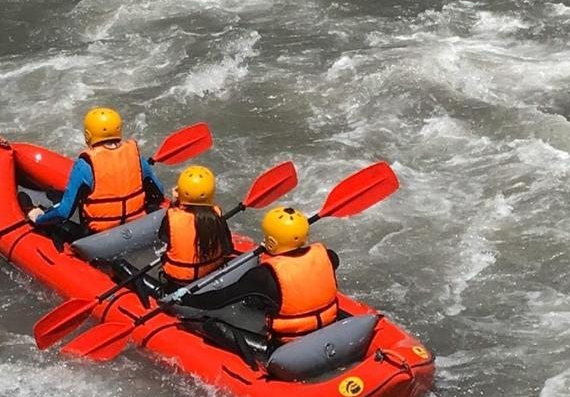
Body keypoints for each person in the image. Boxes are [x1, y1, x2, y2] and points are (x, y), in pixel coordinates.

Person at [169, 206, 340, 345]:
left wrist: (185, 299)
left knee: (212, 325)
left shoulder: (263, 276)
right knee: (261, 299)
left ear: (272, 241)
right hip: (327, 324)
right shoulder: (327, 255)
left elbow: (219, 300)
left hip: (289, 342)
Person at [28, 107, 165, 234]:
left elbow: (64, 212)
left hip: (99, 235)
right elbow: (158, 193)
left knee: (59, 211)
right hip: (137, 224)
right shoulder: (137, 157)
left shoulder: (85, 165)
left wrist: (39, 218)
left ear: (88, 135)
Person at [158, 166, 234, 293]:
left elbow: (163, 238)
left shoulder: (172, 217)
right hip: (211, 275)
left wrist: (175, 203)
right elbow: (228, 249)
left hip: (179, 281)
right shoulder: (216, 215)